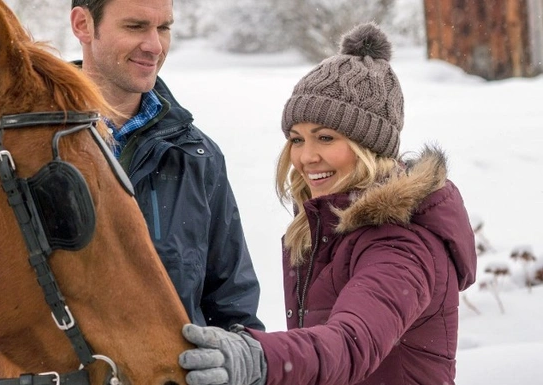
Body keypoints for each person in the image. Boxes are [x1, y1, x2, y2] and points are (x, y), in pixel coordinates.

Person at [0, 0, 264, 379]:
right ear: (83, 25)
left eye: (164, 28)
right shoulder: (8, 149)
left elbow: (231, 308)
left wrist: (237, 364)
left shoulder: (195, 157)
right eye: (135, 26)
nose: (155, 46)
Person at [178, 23, 477, 385]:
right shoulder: (329, 227)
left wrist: (260, 360)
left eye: (325, 137)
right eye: (296, 139)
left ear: (369, 146)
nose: (306, 157)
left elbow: (351, 342)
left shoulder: (400, 243)